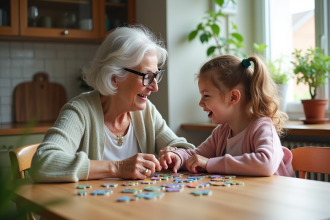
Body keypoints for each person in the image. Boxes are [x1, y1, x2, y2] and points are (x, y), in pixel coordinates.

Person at [30, 25, 195, 183]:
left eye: (156, 75)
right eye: (147, 76)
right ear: (115, 77)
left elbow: (186, 149)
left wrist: (175, 153)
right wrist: (118, 167)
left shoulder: (146, 112)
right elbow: (44, 162)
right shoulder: (80, 111)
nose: (155, 87)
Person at [160, 55, 295, 177]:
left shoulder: (262, 127)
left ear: (233, 97)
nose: (200, 103)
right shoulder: (221, 132)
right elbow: (196, 155)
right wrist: (178, 156)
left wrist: (209, 164)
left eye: (206, 96)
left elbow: (266, 164)